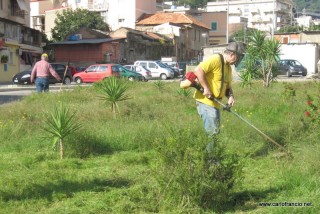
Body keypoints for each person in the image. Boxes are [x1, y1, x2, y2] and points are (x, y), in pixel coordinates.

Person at [193, 42, 246, 152]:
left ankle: (211, 157)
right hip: (206, 102)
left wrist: (231, 96)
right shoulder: (216, 59)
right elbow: (198, 70)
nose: (238, 60)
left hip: (215, 103)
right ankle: (209, 160)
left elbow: (226, 85)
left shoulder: (228, 68)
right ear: (232, 54)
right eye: (238, 57)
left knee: (215, 132)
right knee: (212, 132)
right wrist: (206, 88)